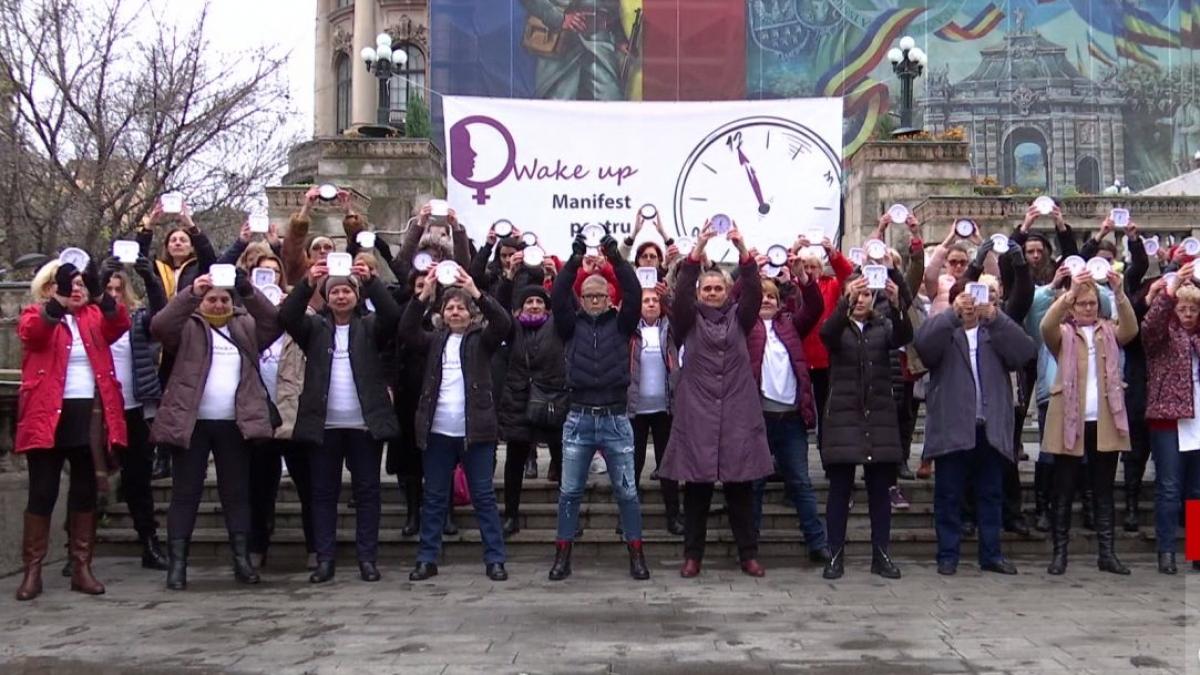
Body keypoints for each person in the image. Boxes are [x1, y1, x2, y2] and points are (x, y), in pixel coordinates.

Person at [150, 272, 282, 590]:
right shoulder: (187, 327)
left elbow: (274, 322)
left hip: (234, 424)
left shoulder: (245, 327)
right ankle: (178, 566)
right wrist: (191, 293)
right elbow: (159, 327)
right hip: (192, 424)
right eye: (212, 298)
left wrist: (247, 290)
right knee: (185, 494)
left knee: (236, 494)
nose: (219, 304)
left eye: (224, 299)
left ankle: (241, 561)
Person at [659, 222, 773, 578]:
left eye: (717, 287)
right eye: (706, 288)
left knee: (740, 490)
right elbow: (678, 297)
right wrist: (699, 249)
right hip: (698, 413)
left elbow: (753, 290)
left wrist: (742, 249)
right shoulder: (688, 318)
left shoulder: (741, 318)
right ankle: (693, 556)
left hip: (738, 411)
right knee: (697, 491)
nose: (711, 292)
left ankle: (748, 555)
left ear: (727, 291)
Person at [280, 259, 401, 583]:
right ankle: (325, 560)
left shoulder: (370, 326)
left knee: (367, 492)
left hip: (364, 425)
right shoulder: (314, 328)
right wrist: (306, 283)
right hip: (324, 427)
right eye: (335, 291)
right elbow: (287, 316)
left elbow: (394, 316)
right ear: (327, 297)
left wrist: (373, 280)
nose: (341, 296)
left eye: (348, 290)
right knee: (322, 494)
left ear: (356, 296)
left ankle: (367, 559)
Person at [15, 261, 129, 600]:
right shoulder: (36, 315)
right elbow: (33, 336)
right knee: (43, 492)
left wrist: (99, 294)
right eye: (68, 284)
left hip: (88, 416)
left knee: (84, 492)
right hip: (47, 417)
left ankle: (81, 567)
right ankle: (32, 570)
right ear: (50, 288)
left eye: (80, 284)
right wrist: (58, 303)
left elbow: (119, 324)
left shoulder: (93, 317)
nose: (75, 289)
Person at [915, 277, 1036, 576]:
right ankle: (947, 555)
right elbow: (923, 348)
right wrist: (950, 315)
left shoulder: (994, 330)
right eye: (965, 298)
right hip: (953, 427)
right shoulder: (946, 330)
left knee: (991, 493)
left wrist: (995, 316)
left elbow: (1025, 352)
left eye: (977, 297)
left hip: (990, 427)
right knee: (948, 494)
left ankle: (991, 554)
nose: (972, 304)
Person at [548, 230, 648, 581]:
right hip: (578, 419)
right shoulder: (569, 325)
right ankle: (563, 556)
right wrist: (575, 260)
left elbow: (634, 292)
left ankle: (636, 554)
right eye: (587, 296)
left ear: (609, 297)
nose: (593, 300)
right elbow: (559, 295)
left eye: (599, 295)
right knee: (569, 492)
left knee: (627, 492)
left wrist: (614, 259)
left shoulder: (622, 324)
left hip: (615, 419)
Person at [401, 265, 512, 581]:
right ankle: (427, 558)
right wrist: (422, 297)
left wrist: (477, 291)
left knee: (483, 496)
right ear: (442, 313)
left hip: (475, 432)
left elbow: (503, 324)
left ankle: (495, 559)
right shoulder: (434, 341)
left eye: (461, 308)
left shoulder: (481, 340)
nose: (455, 313)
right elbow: (407, 331)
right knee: (434, 496)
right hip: (437, 432)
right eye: (449, 308)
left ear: (470, 313)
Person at [1040, 270, 1138, 575]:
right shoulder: (1064, 335)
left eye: (1092, 303)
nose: (1088, 308)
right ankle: (1060, 554)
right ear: (1072, 307)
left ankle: (1106, 553)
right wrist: (1069, 293)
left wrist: (1119, 294)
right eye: (1082, 304)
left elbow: (1131, 329)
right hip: (1070, 419)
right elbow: (1045, 326)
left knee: (1104, 489)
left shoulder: (1109, 331)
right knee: (1064, 488)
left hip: (1105, 418)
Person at [818, 273, 911, 579]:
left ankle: (881, 554)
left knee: (880, 491)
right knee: (840, 489)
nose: (861, 300)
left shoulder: (882, 325)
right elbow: (826, 335)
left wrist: (898, 304)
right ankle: (835, 556)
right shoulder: (838, 326)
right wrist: (845, 300)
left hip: (879, 416)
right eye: (855, 295)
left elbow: (903, 335)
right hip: (844, 417)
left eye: (866, 294)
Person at [748, 273, 829, 564]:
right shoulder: (746, 326)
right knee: (755, 484)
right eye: (761, 295)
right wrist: (748, 271)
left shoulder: (791, 325)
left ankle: (817, 542)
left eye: (771, 295)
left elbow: (816, 306)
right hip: (759, 419)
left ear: (780, 302)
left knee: (800, 482)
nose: (766, 300)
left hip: (791, 418)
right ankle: (750, 546)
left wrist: (805, 279)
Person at [99, 255, 170, 571]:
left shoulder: (137, 320)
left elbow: (162, 314)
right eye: (108, 289)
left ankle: (149, 542)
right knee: (88, 477)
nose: (114, 294)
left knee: (138, 479)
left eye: (118, 288)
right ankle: (76, 547)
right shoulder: (89, 319)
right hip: (98, 409)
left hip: (135, 407)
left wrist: (149, 276)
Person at [497, 271, 566, 537]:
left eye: (539, 301)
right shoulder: (512, 327)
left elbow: (566, 302)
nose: (534, 305)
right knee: (514, 462)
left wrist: (559, 276)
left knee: (561, 461)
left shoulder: (558, 325)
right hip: (518, 400)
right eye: (529, 302)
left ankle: (567, 517)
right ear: (521, 307)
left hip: (552, 400)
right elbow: (498, 306)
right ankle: (511, 515)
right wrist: (508, 277)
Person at [1141, 270, 1200, 573]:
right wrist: (1168, 293)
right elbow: (1150, 325)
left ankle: (1196, 549)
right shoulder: (1163, 336)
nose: (1188, 314)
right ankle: (1166, 551)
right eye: (1183, 308)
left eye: (1193, 309)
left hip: (1198, 420)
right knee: (1169, 487)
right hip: (1168, 419)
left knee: (1196, 491)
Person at [627, 287, 683, 535]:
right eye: (645, 301)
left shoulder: (670, 330)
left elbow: (684, 318)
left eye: (654, 301)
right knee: (632, 464)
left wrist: (668, 297)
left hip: (665, 408)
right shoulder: (630, 331)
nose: (650, 304)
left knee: (667, 465)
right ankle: (627, 516)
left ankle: (674, 515)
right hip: (635, 409)